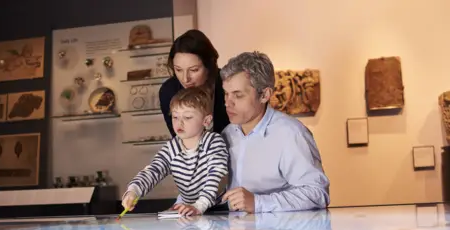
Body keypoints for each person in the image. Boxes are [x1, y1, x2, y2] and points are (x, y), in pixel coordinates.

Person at [219, 51, 330, 213]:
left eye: (238, 95)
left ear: (264, 95)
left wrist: (258, 202)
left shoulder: (291, 134)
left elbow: (317, 193)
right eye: (226, 94)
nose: (228, 103)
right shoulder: (226, 134)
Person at [122, 87, 229, 216]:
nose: (180, 123)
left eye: (188, 117)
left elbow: (217, 174)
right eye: (175, 117)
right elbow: (153, 170)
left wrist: (200, 205)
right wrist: (133, 191)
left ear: (206, 121)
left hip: (218, 209)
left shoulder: (213, 142)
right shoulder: (171, 148)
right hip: (189, 209)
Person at [159, 29, 230, 137]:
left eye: (194, 70)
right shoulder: (168, 91)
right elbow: (178, 137)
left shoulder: (227, 84)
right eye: (178, 70)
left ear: (209, 65)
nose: (185, 79)